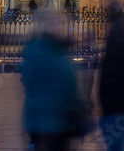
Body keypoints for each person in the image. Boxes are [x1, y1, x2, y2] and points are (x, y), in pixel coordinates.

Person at [21, 10, 88, 151]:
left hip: (38, 122)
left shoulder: (37, 50)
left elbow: (27, 81)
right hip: (54, 123)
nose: (60, 27)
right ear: (48, 27)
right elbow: (65, 87)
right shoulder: (49, 54)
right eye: (57, 24)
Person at [98, 0, 124, 151]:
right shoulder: (122, 31)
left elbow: (119, 70)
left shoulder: (120, 34)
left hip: (116, 104)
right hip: (118, 104)